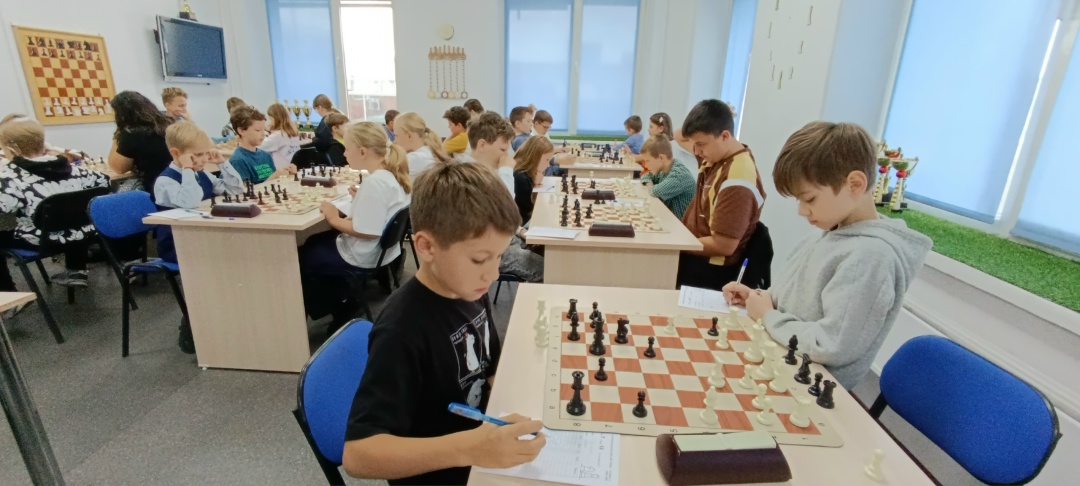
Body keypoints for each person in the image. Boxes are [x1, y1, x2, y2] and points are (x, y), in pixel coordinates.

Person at [342, 162, 544, 486]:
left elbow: (489, 366)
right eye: (479, 259)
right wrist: (470, 448)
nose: (493, 274)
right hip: (445, 469)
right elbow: (358, 455)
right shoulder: (401, 331)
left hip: (482, 447)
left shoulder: (468, 287)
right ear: (426, 246)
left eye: (498, 257)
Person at [723, 121, 932, 389]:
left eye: (809, 199)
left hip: (807, 389)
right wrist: (758, 297)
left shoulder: (871, 257)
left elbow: (831, 345)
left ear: (854, 184)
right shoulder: (831, 233)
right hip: (777, 359)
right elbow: (796, 302)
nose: (801, 211)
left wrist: (767, 316)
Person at [298, 121, 411, 333]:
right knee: (314, 241)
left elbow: (368, 231)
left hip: (362, 254)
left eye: (347, 149)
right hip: (383, 253)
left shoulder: (374, 182)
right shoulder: (388, 175)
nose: (344, 153)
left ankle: (340, 306)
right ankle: (343, 297)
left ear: (362, 151)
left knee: (302, 255)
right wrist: (362, 199)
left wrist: (333, 217)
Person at [0, 117, 110, 287]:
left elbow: (4, 206)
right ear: (44, 144)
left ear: (10, 150)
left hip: (42, 241)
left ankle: (7, 293)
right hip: (82, 235)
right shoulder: (74, 170)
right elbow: (104, 182)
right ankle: (76, 269)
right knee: (71, 217)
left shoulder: (10, 178)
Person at [152, 121, 228, 354]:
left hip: (203, 234)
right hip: (177, 243)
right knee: (222, 260)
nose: (204, 159)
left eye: (206, 153)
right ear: (177, 154)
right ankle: (192, 324)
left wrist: (223, 164)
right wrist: (187, 169)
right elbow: (190, 201)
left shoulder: (200, 173)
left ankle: (226, 319)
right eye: (198, 155)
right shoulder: (165, 181)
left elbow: (233, 189)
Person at [677, 99, 767, 290]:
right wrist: (719, 113)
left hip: (709, 272)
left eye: (701, 144)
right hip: (694, 256)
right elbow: (679, 135)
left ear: (725, 136)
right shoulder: (717, 154)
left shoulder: (738, 179)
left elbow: (724, 245)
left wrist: (678, 243)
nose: (696, 152)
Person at [107, 90, 174, 194]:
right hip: (178, 184)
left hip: (153, 189)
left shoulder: (131, 134)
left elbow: (119, 168)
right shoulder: (170, 124)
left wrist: (118, 134)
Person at [220, 106, 296, 190]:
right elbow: (246, 192)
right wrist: (274, 177)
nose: (263, 134)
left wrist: (288, 174)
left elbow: (276, 182)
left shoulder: (266, 155)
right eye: (258, 130)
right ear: (241, 131)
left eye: (264, 130)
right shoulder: (238, 160)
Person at [458, 111, 516, 196]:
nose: (506, 156)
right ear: (482, 145)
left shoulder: (485, 172)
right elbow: (504, 200)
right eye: (502, 149)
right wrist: (506, 170)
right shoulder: (466, 178)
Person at [639, 135, 696, 218]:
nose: (646, 166)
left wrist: (651, 186)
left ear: (661, 158)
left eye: (648, 161)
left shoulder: (678, 176)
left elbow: (654, 192)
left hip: (680, 224)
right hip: (670, 218)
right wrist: (650, 184)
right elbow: (646, 176)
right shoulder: (664, 169)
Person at [394, 112, 452, 179]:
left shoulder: (413, 159)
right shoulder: (429, 152)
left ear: (409, 136)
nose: (395, 141)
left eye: (396, 135)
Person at [512, 136, 554, 224]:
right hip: (520, 225)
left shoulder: (525, 172)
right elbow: (528, 211)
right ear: (535, 157)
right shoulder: (521, 178)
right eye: (546, 160)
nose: (548, 165)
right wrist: (534, 186)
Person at [262, 103, 302, 170]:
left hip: (282, 170)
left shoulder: (278, 135)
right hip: (293, 168)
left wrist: (266, 132)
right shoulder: (294, 132)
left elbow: (261, 146)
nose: (270, 122)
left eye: (270, 119)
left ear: (275, 118)